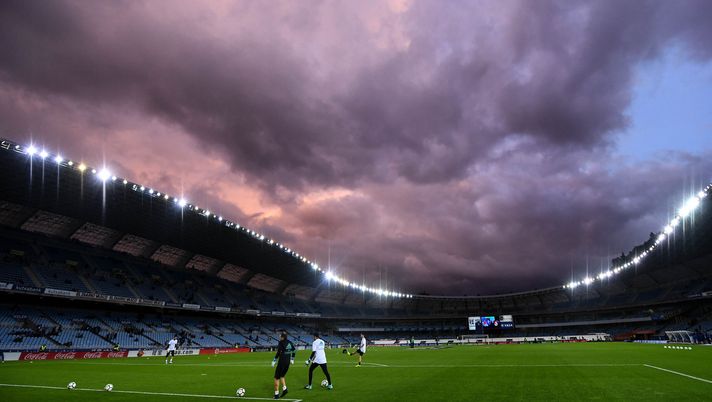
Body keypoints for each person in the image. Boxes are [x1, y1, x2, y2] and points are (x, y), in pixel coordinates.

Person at [271, 332, 295, 399]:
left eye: (280, 335)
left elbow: (278, 352)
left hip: (281, 362)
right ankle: (285, 389)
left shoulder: (281, 342)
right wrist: (292, 359)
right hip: (287, 362)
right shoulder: (290, 342)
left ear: (282, 337)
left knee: (276, 377)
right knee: (282, 376)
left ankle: (276, 395)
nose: (279, 336)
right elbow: (294, 350)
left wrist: (274, 360)